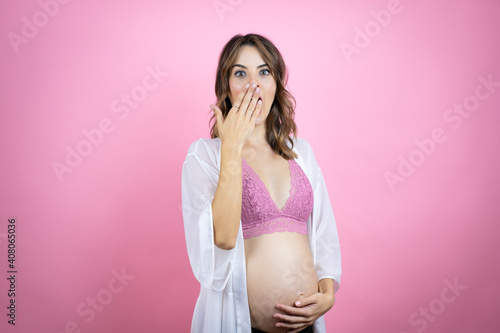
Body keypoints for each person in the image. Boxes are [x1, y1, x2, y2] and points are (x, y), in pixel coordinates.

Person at [181, 33, 341, 333]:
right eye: (240, 73)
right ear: (227, 88)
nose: (253, 84)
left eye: (264, 72)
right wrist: (231, 147)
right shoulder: (205, 156)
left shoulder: (300, 152)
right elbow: (224, 239)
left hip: (306, 326)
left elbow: (323, 233)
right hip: (241, 325)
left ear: (276, 83)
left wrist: (327, 295)